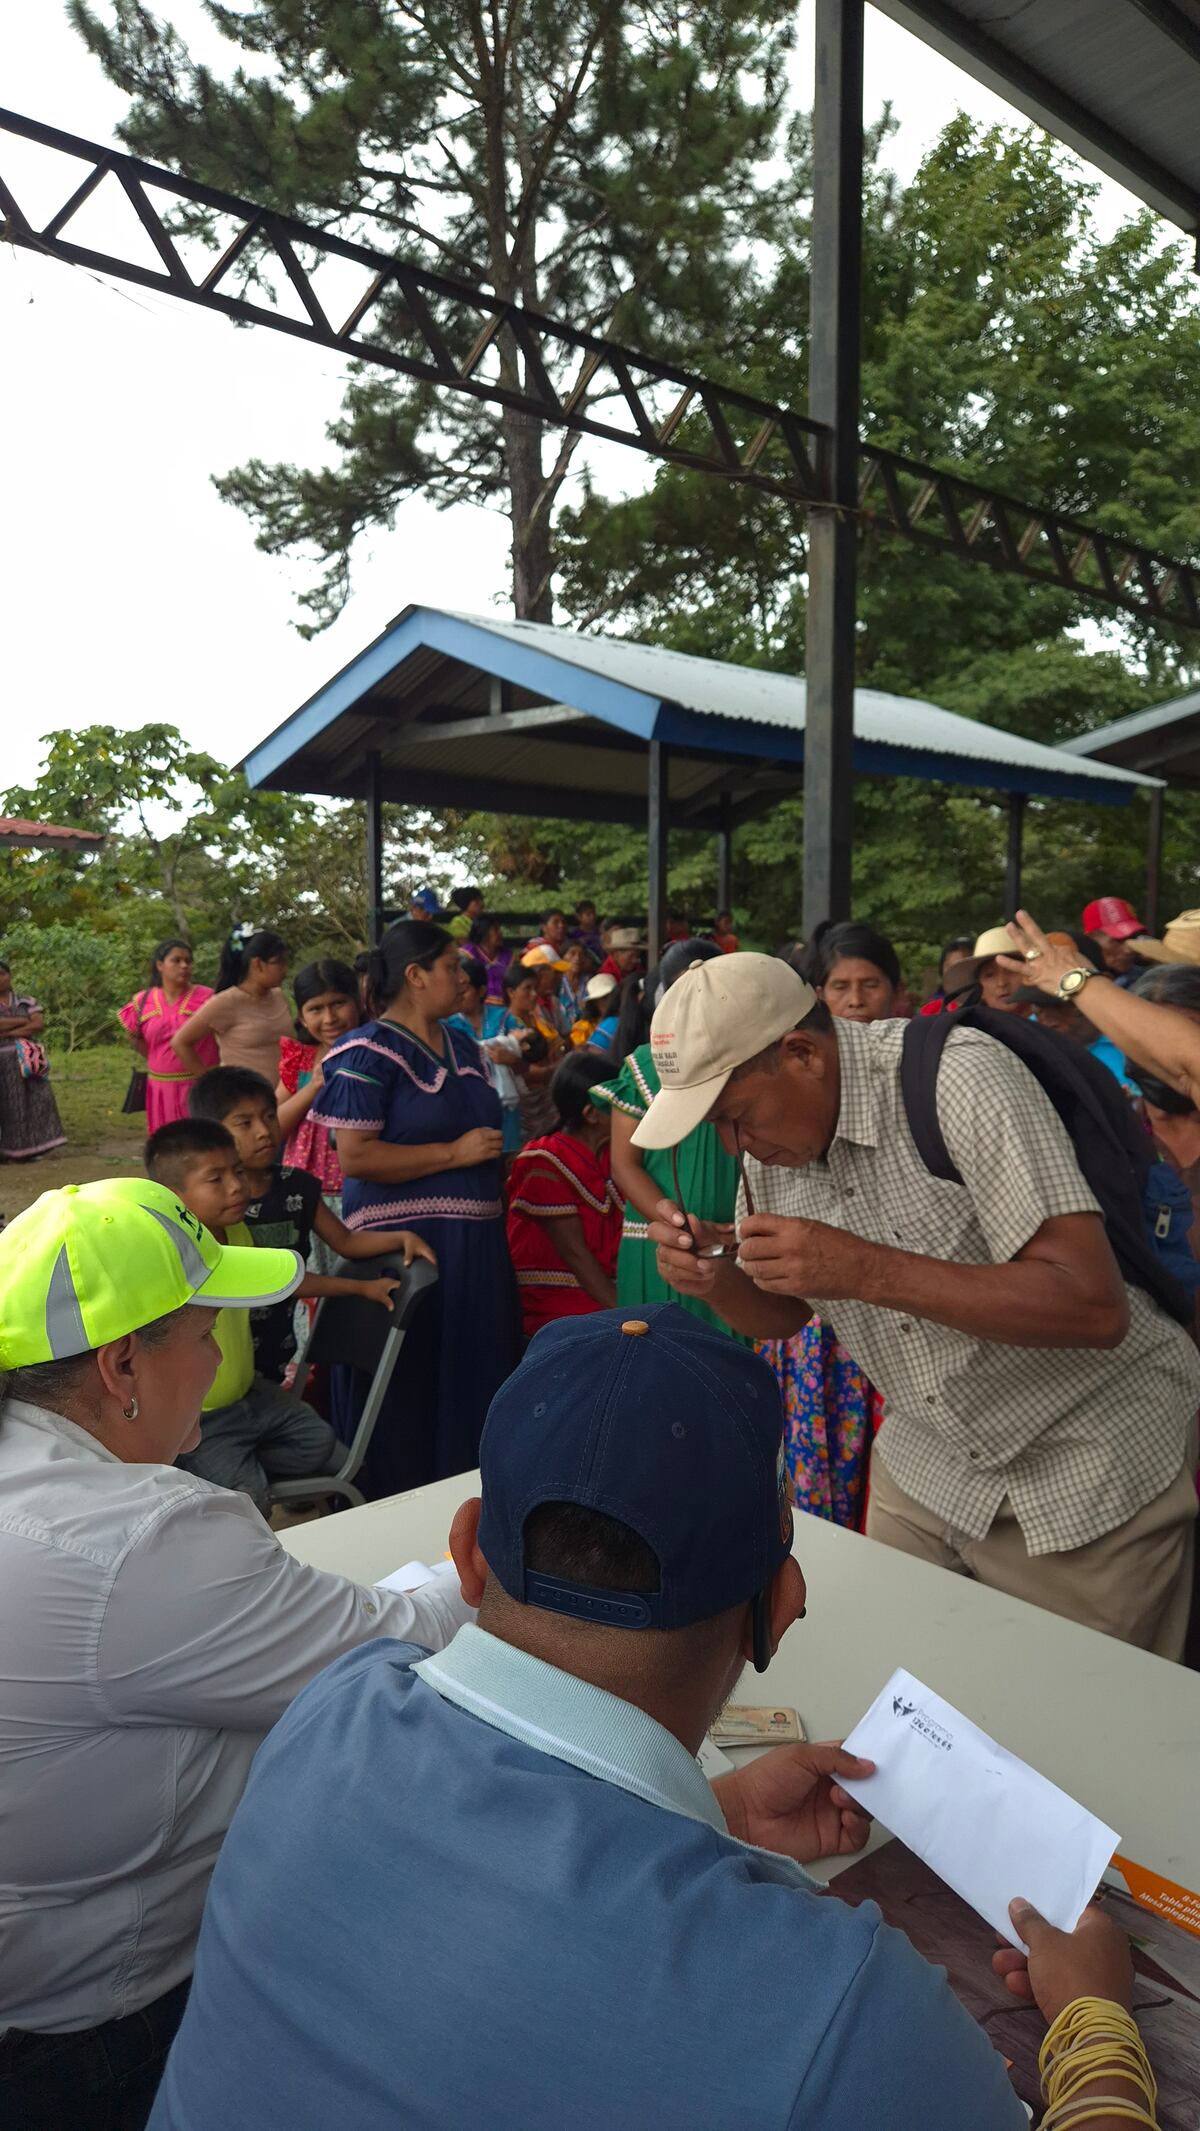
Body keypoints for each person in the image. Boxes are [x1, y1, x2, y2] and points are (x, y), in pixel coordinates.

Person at [150, 1306, 1149, 2131]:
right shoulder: (840, 2012)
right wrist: (1096, 2015)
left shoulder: (336, 1707)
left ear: (467, 1552)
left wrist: (703, 1812)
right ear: (780, 1605)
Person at [0, 1178, 471, 2131]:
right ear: (122, 1363)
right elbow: (401, 1644)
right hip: (93, 2034)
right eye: (207, 1331)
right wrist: (485, 1562)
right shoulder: (142, 1539)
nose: (221, 1357)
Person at [644, 952, 1200, 1657]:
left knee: (1067, 1742)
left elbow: (1093, 1305)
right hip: (930, 1466)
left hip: (1083, 1471)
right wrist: (717, 1276)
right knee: (903, 1699)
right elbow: (786, 1315)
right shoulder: (768, 1147)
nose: (734, 1144)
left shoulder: (958, 1076)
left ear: (803, 1053)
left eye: (736, 1117)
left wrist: (866, 1268)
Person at [309, 921, 518, 1490]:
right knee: (408, 1383)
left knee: (471, 1373)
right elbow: (356, 1156)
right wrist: (454, 1153)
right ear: (416, 975)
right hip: (408, 1247)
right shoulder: (365, 1051)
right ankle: (393, 1505)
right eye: (450, 965)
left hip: (475, 1247)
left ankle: (470, 1505)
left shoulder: (467, 1047)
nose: (462, 976)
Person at [145, 1119, 423, 1513]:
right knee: (249, 1499)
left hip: (249, 1392)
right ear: (174, 1197)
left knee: (320, 1446)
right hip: (201, 1414)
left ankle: (228, 1464)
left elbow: (286, 1282)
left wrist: (359, 1288)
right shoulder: (174, 1254)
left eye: (237, 1171)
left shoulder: (237, 1232)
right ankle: (205, 1467)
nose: (237, 1186)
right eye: (216, 1179)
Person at [758, 926, 904, 1527]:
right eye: (841, 986)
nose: (856, 999)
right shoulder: (769, 1122)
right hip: (825, 1326)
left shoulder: (925, 1081)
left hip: (905, 1334)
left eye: (870, 984)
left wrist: (858, 1265)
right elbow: (782, 1310)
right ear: (819, 994)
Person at [185, 1069, 429, 1386]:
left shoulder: (297, 1187)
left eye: (270, 1116)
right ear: (213, 1134)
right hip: (225, 1356)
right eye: (245, 1123)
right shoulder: (215, 1205)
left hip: (279, 1342)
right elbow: (280, 1280)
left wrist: (401, 1238)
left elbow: (347, 1241)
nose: (264, 1131)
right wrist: (361, 1289)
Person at [594, 940, 745, 1339]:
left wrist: (747, 1226)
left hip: (739, 1245)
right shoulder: (646, 1065)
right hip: (659, 1246)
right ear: (664, 997)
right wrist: (678, 1224)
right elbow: (625, 1164)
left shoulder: (751, 1055)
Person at [506, 1052, 622, 1336]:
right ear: (591, 1114)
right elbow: (577, 1255)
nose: (628, 1108)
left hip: (600, 1292)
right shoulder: (544, 1160)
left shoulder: (612, 1154)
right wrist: (629, 1314)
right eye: (618, 1101)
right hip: (559, 1303)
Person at [274, 960, 362, 1245]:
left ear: (358, 1001)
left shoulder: (373, 1054)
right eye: (316, 1009)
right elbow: (274, 1125)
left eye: (338, 1003)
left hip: (358, 1188)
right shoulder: (300, 1060)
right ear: (301, 1016)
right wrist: (312, 1088)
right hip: (304, 1191)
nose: (329, 1018)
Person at [171, 927, 292, 1086]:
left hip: (286, 1099)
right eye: (278, 962)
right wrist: (212, 1084)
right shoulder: (227, 1002)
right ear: (257, 964)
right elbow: (180, 1042)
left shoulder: (278, 996)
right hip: (246, 1100)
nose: (285, 969)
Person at [118, 940, 218, 1131]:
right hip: (160, 1089)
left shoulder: (207, 998)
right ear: (160, 965)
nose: (184, 966)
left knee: (201, 1143)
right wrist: (157, 1057)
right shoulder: (143, 1000)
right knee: (167, 1145)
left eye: (188, 961)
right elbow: (133, 1035)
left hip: (199, 1086)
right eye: (177, 960)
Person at [0, 955, 65, 1162]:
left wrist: (9, 1031)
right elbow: (29, 1022)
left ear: (9, 976)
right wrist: (22, 1021)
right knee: (6, 1106)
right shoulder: (25, 1008)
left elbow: (37, 1024)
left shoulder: (26, 1000)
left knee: (33, 1102)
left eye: (2, 974)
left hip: (25, 1061)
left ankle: (30, 1149)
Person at [812, 920, 902, 1023]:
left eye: (870, 985)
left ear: (897, 993)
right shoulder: (796, 1037)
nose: (856, 1001)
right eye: (840, 988)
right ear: (820, 997)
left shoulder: (917, 1037)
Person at [1082, 895, 1151, 977]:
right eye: (1118, 940)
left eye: (1133, 938)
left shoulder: (1145, 978)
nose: (1128, 950)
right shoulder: (1070, 981)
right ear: (1090, 939)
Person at [461, 909, 508, 1000]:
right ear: (484, 933)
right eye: (496, 930)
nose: (500, 933)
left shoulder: (507, 955)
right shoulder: (466, 954)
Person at [570, 969, 618, 1049]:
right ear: (594, 1002)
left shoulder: (625, 1020)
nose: (608, 1001)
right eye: (603, 998)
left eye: (611, 996)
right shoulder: (582, 1028)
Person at [560, 937, 594, 1025]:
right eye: (572, 953)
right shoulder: (556, 982)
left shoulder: (590, 982)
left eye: (581, 954)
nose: (577, 958)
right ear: (563, 957)